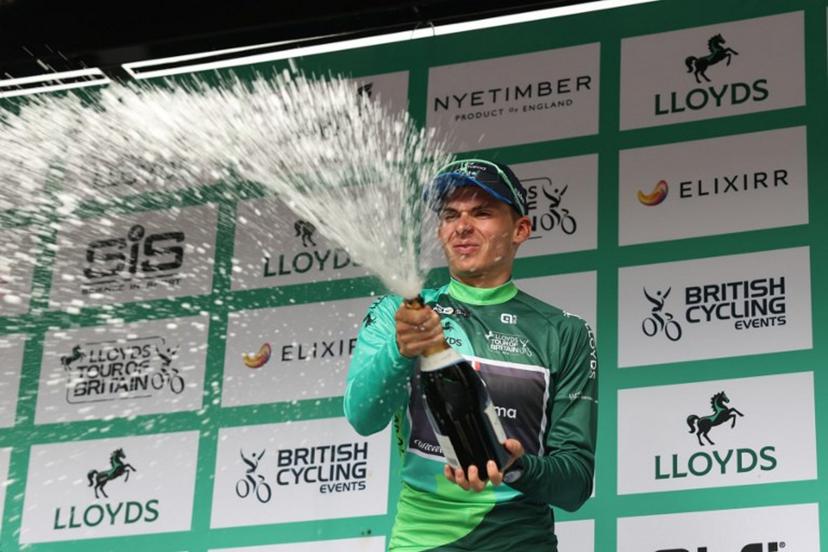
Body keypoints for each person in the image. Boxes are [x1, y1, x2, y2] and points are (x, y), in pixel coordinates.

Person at [344, 159, 597, 551]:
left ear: (521, 230)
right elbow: (363, 416)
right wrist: (400, 350)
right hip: (422, 541)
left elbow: (575, 484)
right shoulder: (402, 313)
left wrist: (516, 467)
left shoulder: (564, 332)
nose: (462, 226)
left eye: (481, 212)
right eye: (450, 215)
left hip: (521, 541)